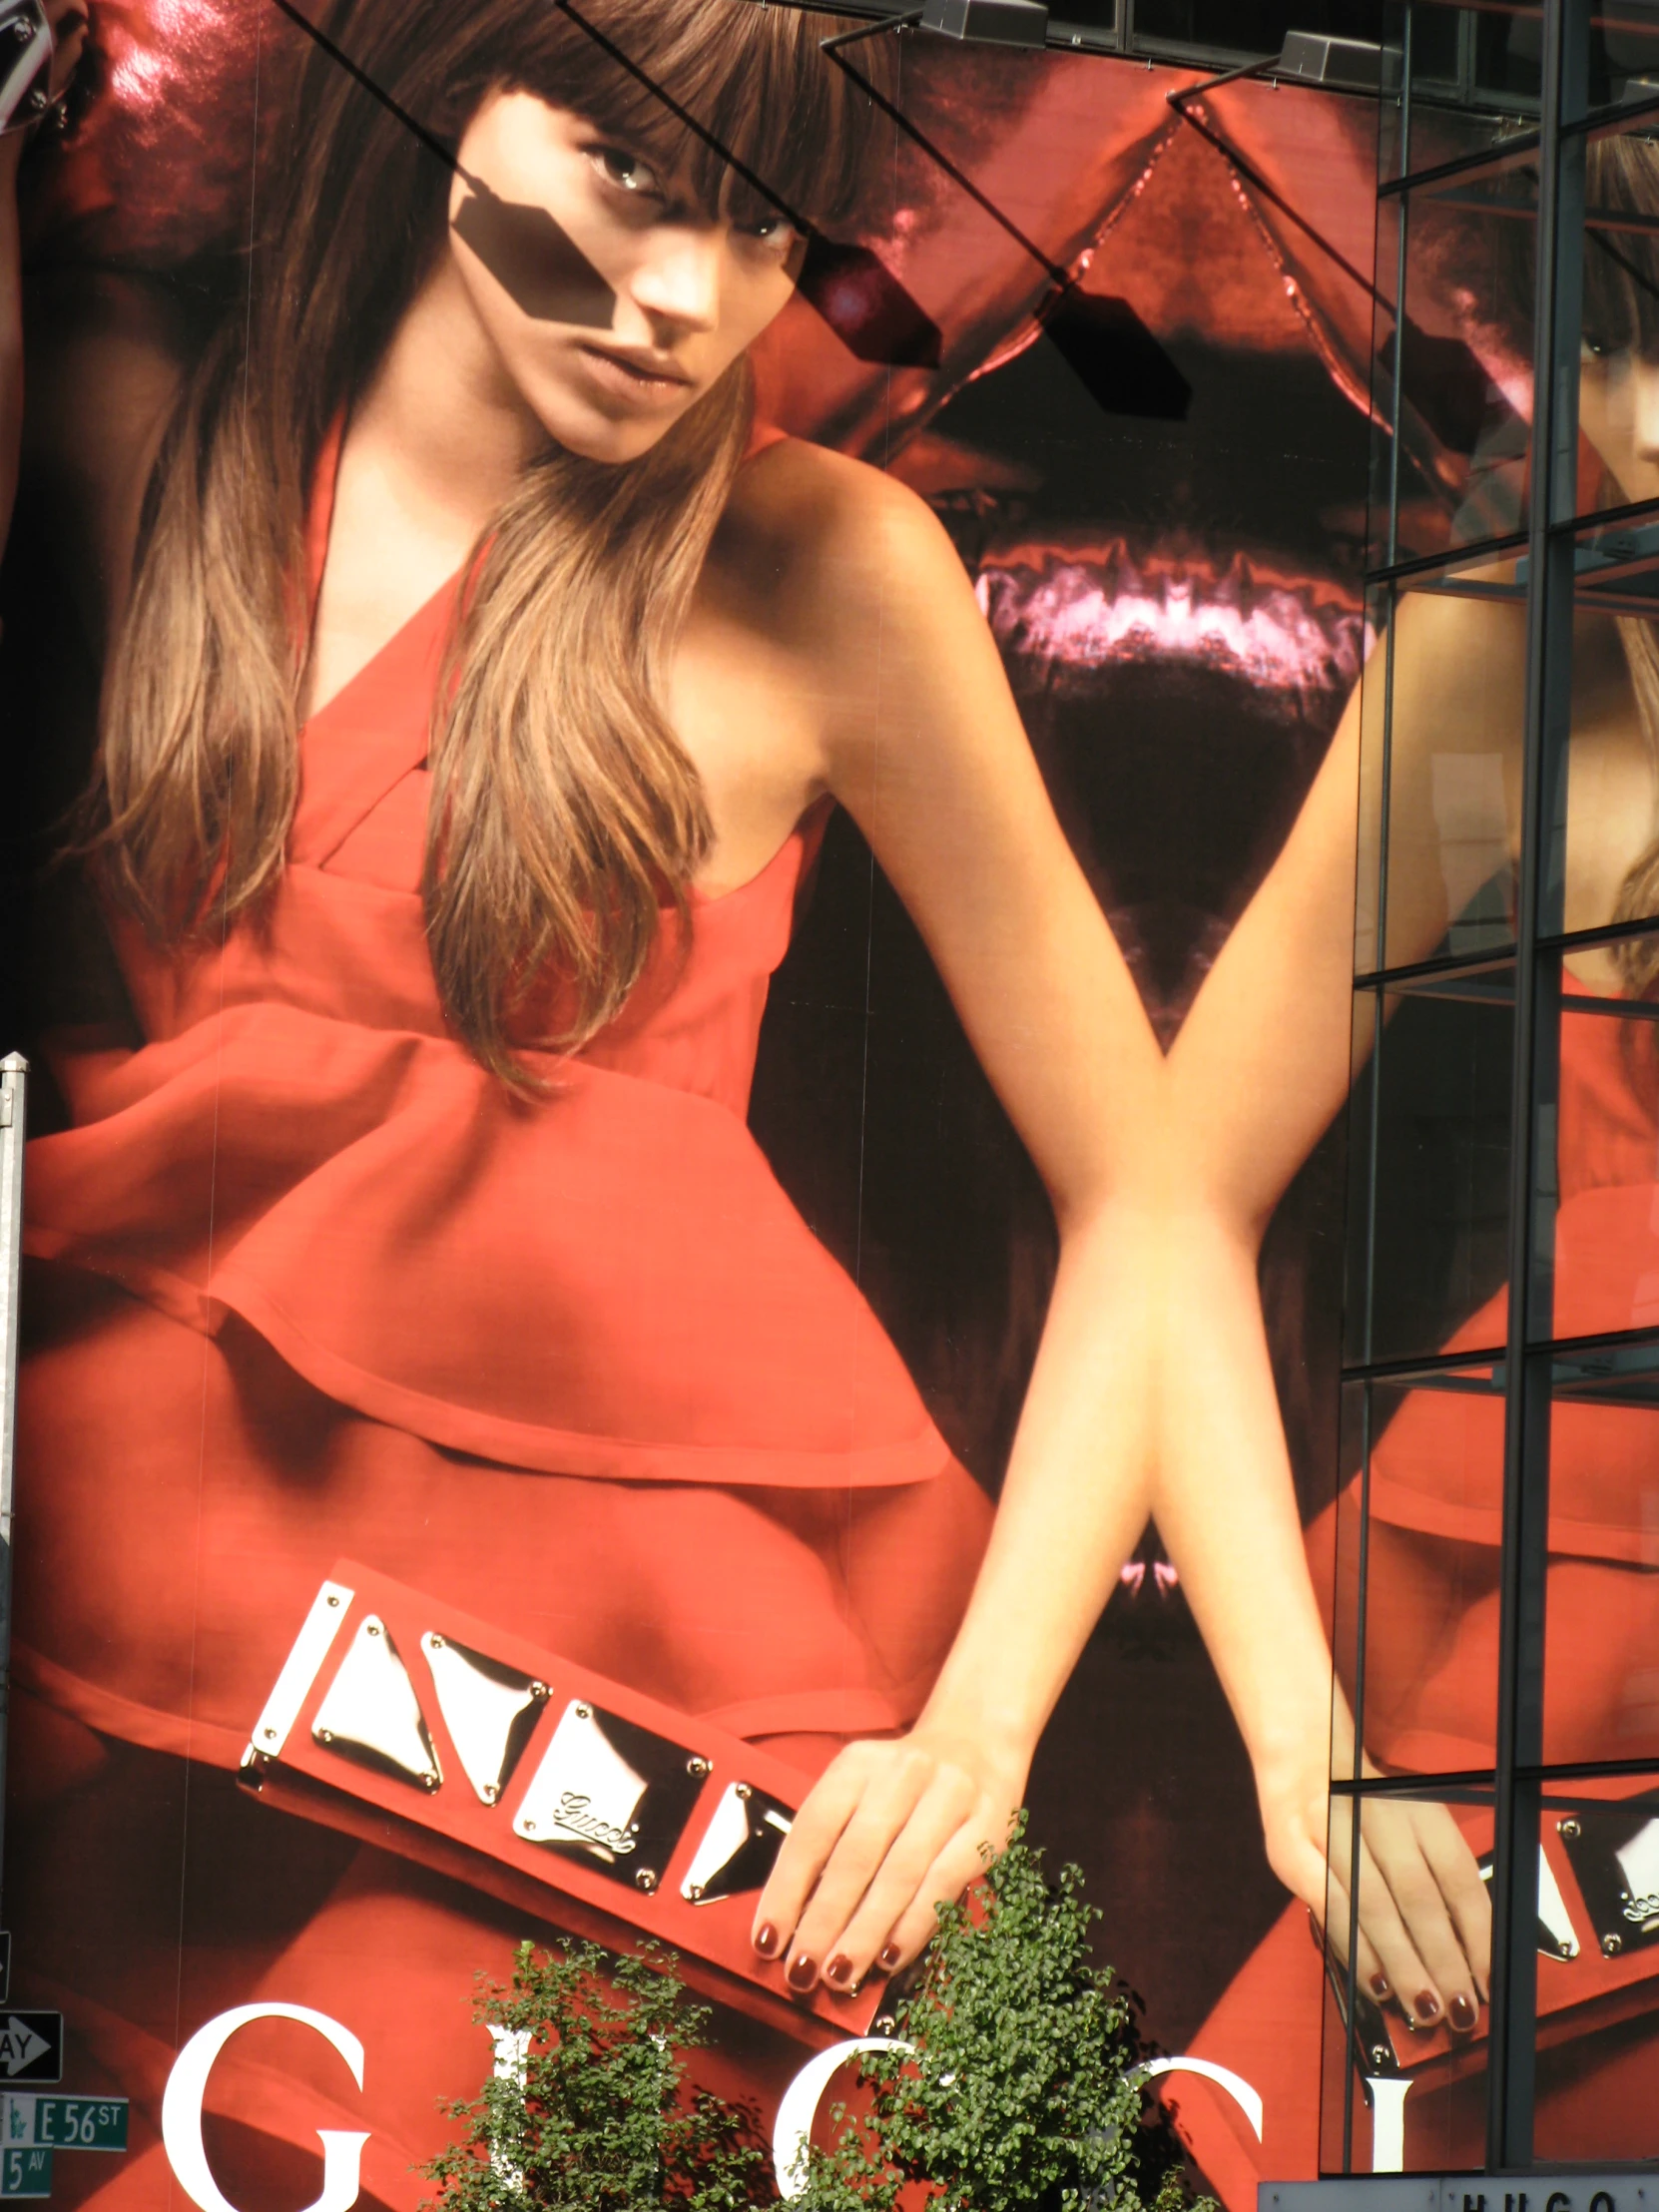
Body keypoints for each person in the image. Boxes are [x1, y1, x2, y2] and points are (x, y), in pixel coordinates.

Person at [0, 0, 1165, 2197]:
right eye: (625, 171)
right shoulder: (134, 429)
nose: (682, 300)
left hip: (648, 1688)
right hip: (170, 1615)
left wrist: (981, 1735)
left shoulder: (819, 570)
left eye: (760, 229)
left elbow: (1149, 1200)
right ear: (433, 97)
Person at [1155, 131, 1659, 2195]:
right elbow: (1171, 1200)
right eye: (1623, 352)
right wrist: (1313, 1760)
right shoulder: (1509, 680)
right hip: (1551, 1662)